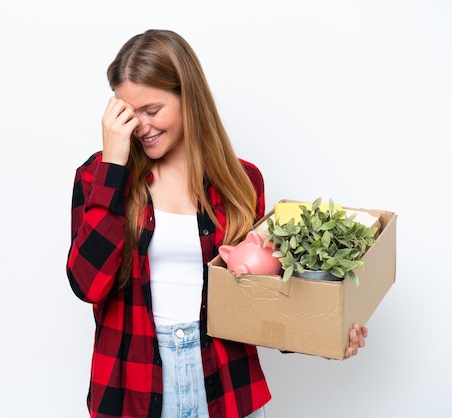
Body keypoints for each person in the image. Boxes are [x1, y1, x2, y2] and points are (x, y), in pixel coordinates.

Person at [66, 29, 368, 418]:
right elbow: (88, 285)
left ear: (187, 98)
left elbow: (260, 293)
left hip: (225, 384)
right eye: (127, 113)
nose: (140, 127)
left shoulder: (241, 181)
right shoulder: (98, 177)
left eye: (152, 110)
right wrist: (114, 167)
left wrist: (324, 333)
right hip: (132, 390)